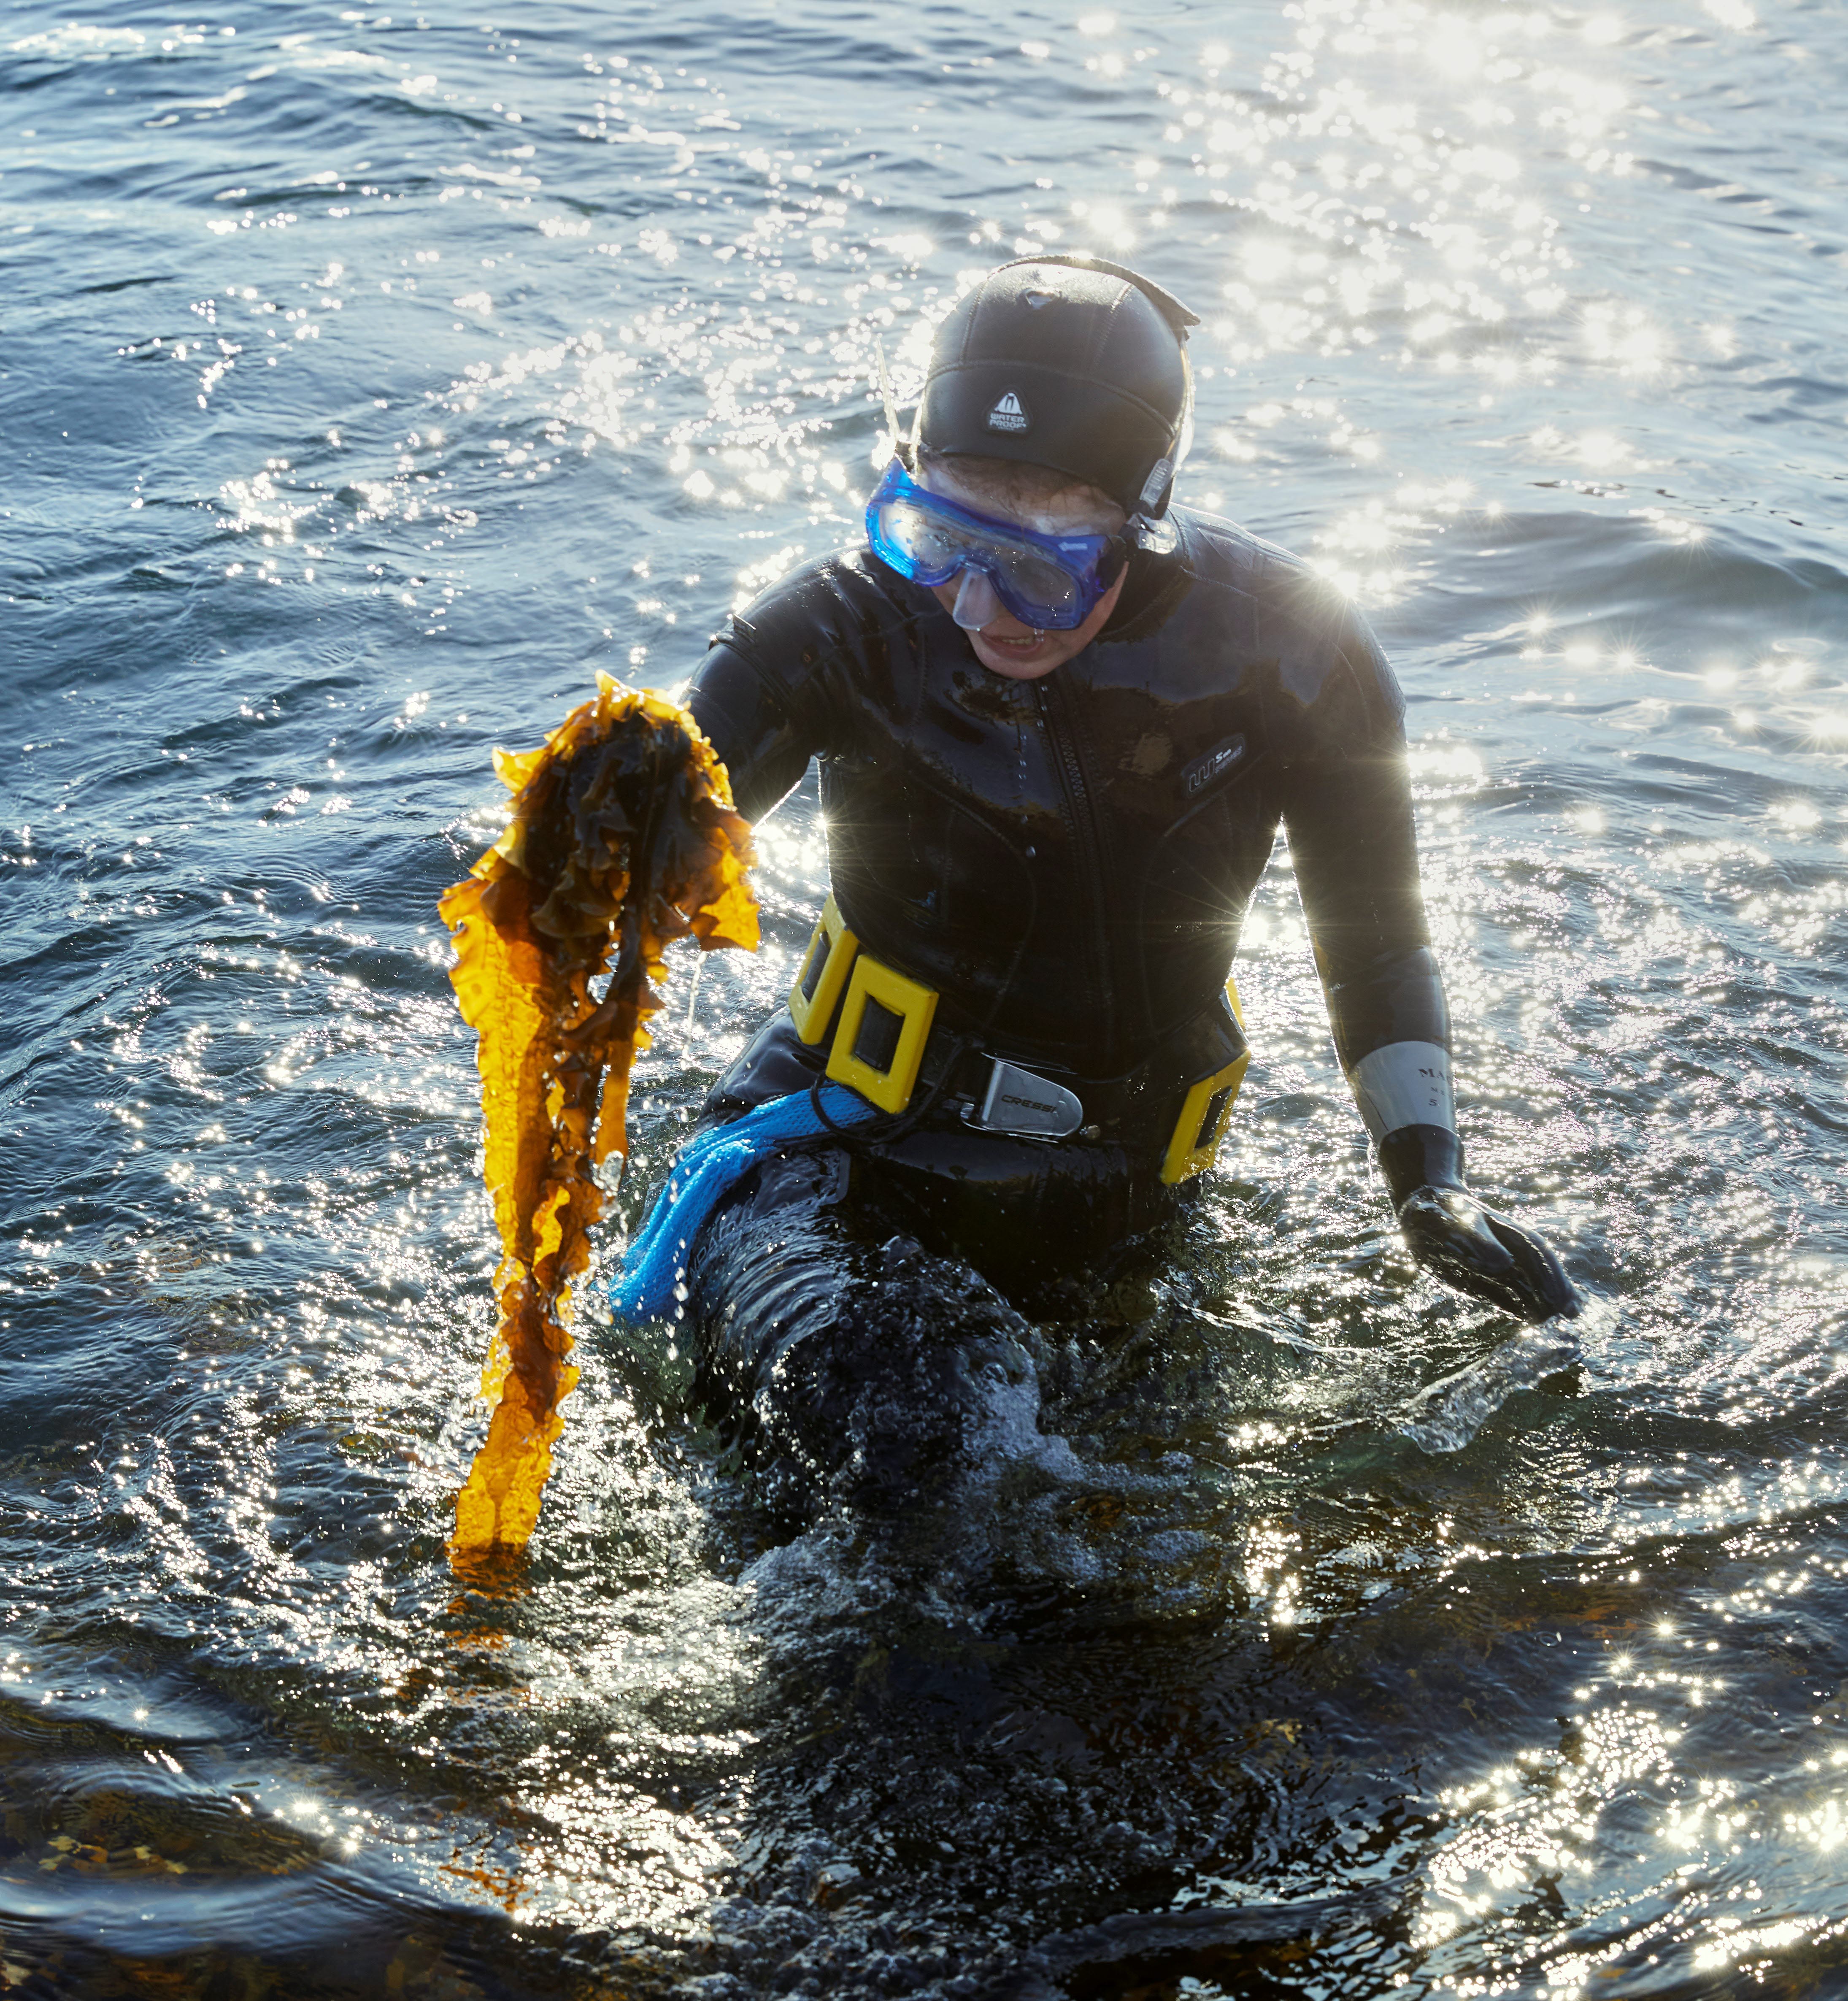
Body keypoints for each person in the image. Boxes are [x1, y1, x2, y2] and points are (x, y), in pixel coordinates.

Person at [635, 254, 1578, 1515]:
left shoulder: (1290, 651)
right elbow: (649, 851)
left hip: (1126, 1197)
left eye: (1043, 565)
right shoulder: (834, 628)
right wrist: (611, 839)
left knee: (1132, 1563)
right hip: (835, 1160)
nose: (982, 605)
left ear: (1145, 511)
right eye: (943, 537)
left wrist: (1430, 1184)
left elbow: (1374, 939)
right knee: (911, 1451)